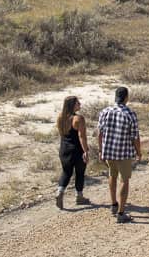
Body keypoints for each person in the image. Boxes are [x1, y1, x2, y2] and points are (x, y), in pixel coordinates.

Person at [97, 86, 140, 223]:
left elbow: (100, 133)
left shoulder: (105, 112)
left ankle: (113, 204)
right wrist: (138, 152)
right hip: (123, 152)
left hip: (108, 151)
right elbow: (135, 136)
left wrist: (100, 150)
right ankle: (121, 213)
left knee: (112, 175)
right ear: (126, 97)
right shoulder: (130, 114)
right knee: (124, 180)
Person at [54, 95, 91, 209]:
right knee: (80, 173)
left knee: (66, 172)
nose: (80, 104)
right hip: (77, 150)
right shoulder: (78, 119)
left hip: (64, 149)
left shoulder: (60, 117)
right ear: (72, 105)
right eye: (77, 103)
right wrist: (86, 151)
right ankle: (79, 196)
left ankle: (60, 191)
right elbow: (82, 136)